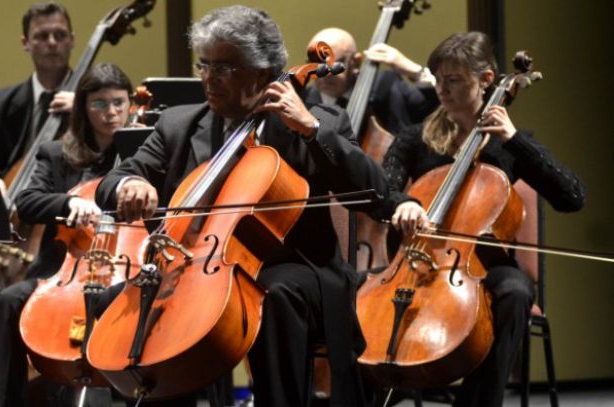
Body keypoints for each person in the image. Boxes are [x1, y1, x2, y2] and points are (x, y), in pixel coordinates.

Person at [94, 5, 390, 407]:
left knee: (275, 293)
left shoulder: (319, 120)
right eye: (205, 65)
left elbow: (376, 194)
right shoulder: (179, 124)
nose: (209, 79)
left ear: (264, 73)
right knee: (119, 301)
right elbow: (114, 179)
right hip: (197, 267)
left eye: (225, 68)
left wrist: (310, 131)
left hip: (296, 265)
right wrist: (131, 184)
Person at [381, 31, 585, 407]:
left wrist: (513, 140)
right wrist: (402, 202)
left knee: (515, 292)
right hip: (419, 260)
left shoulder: (511, 144)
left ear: (487, 80)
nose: (441, 89)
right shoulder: (414, 139)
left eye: (453, 79)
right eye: (437, 78)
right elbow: (383, 188)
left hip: (484, 266)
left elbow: (572, 196)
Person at [0, 62, 134, 407]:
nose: (110, 113)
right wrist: (68, 203)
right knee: (7, 301)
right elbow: (28, 201)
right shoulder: (57, 154)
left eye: (118, 103)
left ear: (130, 104)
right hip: (64, 272)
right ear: (83, 107)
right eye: (99, 104)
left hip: (126, 267)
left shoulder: (144, 152)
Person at [0, 2, 75, 180]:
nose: (52, 42)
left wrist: (85, 109)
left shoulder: (93, 101)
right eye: (42, 36)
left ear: (72, 40)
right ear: (26, 43)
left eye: (60, 35)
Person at [305, 27, 438, 136]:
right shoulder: (302, 103)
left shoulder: (386, 85)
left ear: (355, 62)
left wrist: (416, 72)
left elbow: (435, 112)